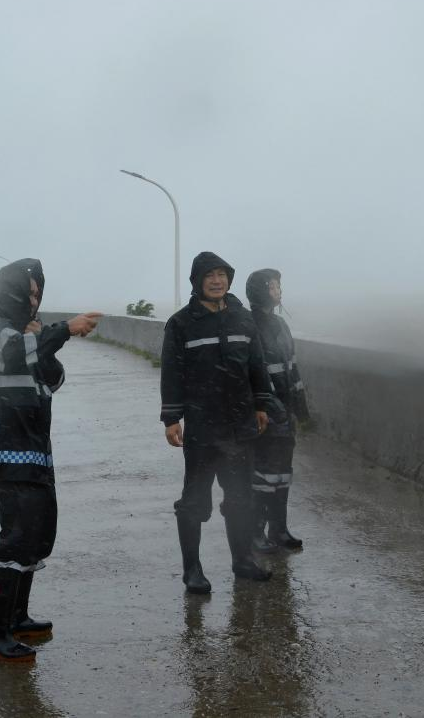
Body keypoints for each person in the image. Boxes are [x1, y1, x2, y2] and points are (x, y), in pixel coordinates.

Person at [0, 259, 101, 662]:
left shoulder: (28, 336)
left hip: (34, 451)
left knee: (39, 538)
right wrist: (63, 330)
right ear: (8, 291)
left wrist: (44, 339)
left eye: (38, 291)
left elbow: (53, 380)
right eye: (28, 291)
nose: (34, 298)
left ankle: (17, 616)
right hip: (5, 453)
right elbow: (10, 354)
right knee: (16, 540)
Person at [161, 251, 275, 591]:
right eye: (210, 275)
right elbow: (172, 372)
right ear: (198, 281)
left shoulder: (242, 319)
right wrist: (171, 418)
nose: (217, 280)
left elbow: (257, 364)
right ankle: (192, 570)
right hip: (202, 427)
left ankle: (242, 561)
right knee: (194, 501)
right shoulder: (181, 323)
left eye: (222, 274)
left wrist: (262, 404)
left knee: (241, 497)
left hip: (240, 425)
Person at [245, 269, 310, 553]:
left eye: (279, 285)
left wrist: (301, 409)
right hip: (264, 412)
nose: (279, 291)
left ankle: (279, 529)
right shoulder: (248, 325)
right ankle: (255, 532)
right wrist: (266, 408)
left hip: (286, 413)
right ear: (261, 290)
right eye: (274, 286)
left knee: (283, 471)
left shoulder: (281, 325)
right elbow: (251, 373)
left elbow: (292, 368)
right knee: (262, 473)